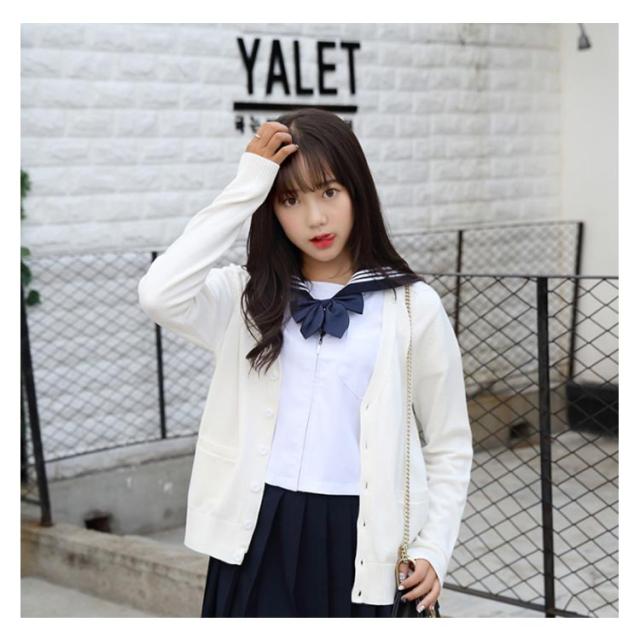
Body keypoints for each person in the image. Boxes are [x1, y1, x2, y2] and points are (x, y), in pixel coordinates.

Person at [137, 108, 474, 617]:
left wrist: (434, 548)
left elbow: (449, 442)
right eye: (290, 200)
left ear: (357, 192)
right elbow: (159, 293)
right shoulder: (247, 298)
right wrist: (248, 185)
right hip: (259, 528)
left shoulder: (411, 306)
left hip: (365, 538)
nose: (315, 218)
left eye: (329, 192)